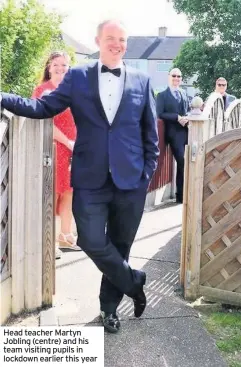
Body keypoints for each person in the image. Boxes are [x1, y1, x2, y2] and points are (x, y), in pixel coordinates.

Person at [0, 19, 159, 334]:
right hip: (89, 177)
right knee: (89, 239)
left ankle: (109, 309)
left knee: (121, 244)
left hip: (131, 181)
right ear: (98, 40)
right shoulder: (77, 77)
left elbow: (149, 134)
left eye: (122, 39)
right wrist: (3, 97)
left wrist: (146, 174)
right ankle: (134, 281)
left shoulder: (142, 81)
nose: (117, 44)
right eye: (111, 38)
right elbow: (41, 107)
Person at [32, 51, 81, 259]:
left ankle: (65, 236)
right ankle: (48, 241)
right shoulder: (42, 91)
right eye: (56, 65)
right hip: (51, 148)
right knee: (52, 194)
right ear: (48, 67)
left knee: (69, 192)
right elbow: (44, 121)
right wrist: (67, 142)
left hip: (73, 149)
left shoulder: (73, 91)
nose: (60, 68)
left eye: (64, 65)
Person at [156, 68, 190, 204]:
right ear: (169, 77)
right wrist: (176, 117)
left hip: (186, 132)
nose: (176, 78)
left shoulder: (184, 93)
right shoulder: (162, 95)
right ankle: (180, 195)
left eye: (179, 76)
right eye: (174, 75)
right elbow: (160, 113)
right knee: (182, 161)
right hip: (173, 134)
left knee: (188, 162)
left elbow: (187, 110)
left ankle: (184, 195)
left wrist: (187, 117)